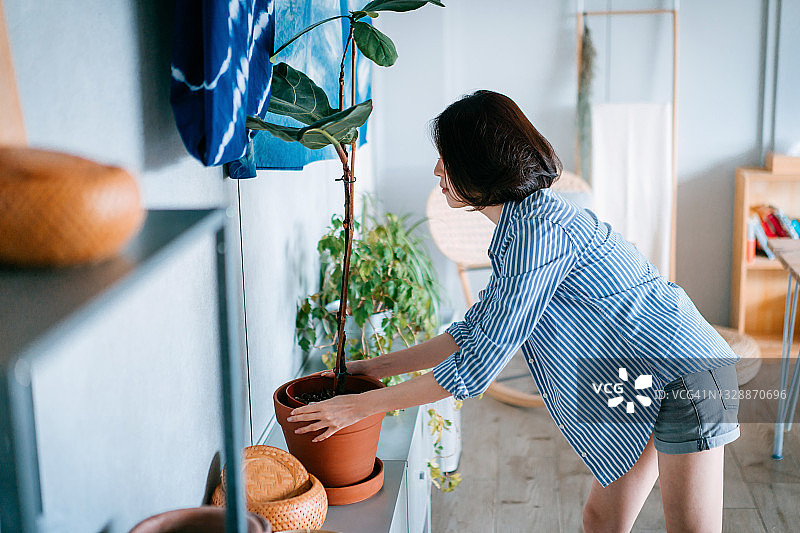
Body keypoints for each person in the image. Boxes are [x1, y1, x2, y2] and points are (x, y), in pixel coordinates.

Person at [287, 90, 741, 532]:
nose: (437, 170)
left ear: (479, 164)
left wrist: (361, 407)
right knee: (602, 521)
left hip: (687, 375)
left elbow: (475, 368)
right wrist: (371, 367)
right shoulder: (521, 226)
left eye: (447, 158)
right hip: (648, 378)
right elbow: (472, 332)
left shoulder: (536, 233)